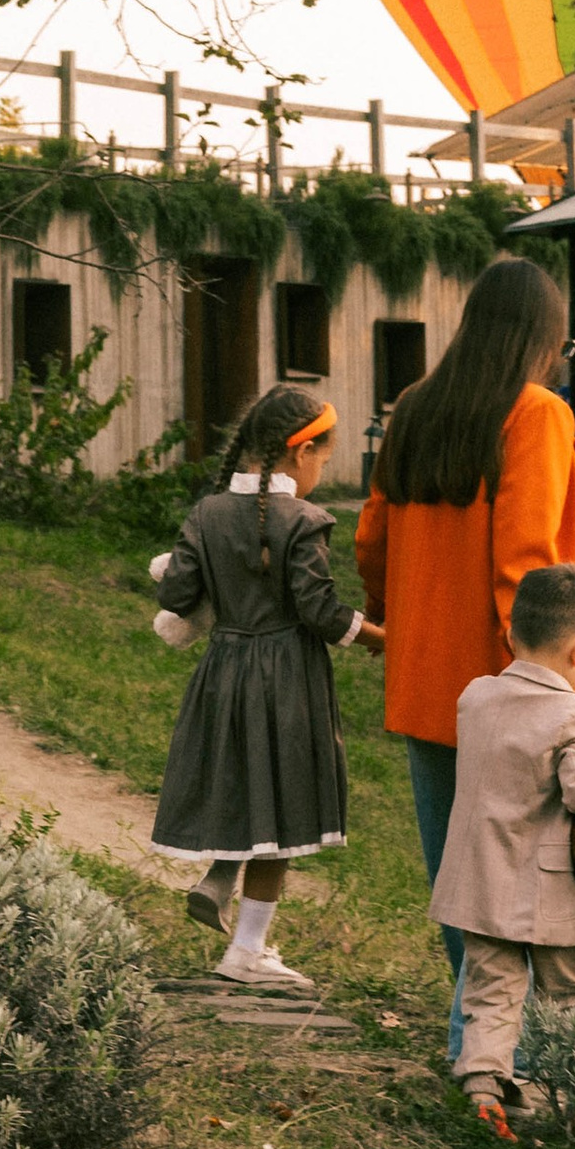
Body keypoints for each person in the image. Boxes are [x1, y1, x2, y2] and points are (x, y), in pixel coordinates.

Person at [355, 252, 575, 1061]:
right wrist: (548, 687)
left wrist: (395, 620)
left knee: (460, 877)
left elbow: (372, 538)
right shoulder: (534, 413)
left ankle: (477, 1044)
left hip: (429, 684)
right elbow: (528, 563)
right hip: (513, 690)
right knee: (531, 881)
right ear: (542, 338)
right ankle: (513, 1057)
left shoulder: (414, 407)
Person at [148, 385, 383, 989]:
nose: (321, 472)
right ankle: (247, 950)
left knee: (244, 781)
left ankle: (221, 878)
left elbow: (177, 593)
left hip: (224, 671)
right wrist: (381, 637)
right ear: (302, 453)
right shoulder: (304, 521)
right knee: (283, 803)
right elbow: (319, 610)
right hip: (287, 680)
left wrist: (179, 569)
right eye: (324, 459)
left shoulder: (206, 514)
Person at [433, 561, 575, 1135]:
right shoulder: (574, 714)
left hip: (479, 880)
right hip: (544, 887)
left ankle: (484, 1087)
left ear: (511, 635)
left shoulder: (476, 696)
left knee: (491, 989)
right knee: (565, 992)